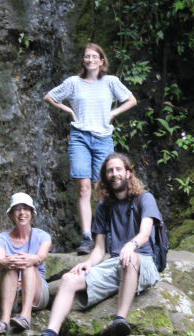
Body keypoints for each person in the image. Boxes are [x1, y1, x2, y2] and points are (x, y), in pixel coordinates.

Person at [21, 153, 161, 336]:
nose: (114, 174)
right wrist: (88, 263)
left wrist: (131, 245)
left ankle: (120, 319)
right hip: (116, 263)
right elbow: (99, 249)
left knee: (129, 260)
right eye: (110, 171)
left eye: (118, 169)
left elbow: (145, 233)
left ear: (128, 173)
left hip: (143, 261)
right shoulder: (104, 206)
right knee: (69, 279)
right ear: (105, 177)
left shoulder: (144, 199)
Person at [44, 43, 137, 255]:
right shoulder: (73, 83)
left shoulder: (111, 82)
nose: (90, 60)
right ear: (83, 61)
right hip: (80, 137)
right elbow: (49, 96)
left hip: (103, 138)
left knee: (104, 188)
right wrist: (68, 109)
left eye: (95, 56)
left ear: (102, 60)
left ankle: (107, 235)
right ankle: (87, 237)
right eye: (87, 57)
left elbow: (131, 100)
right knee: (83, 187)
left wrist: (114, 114)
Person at [0, 192, 52, 335]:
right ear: (11, 215)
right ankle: (4, 321)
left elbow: (41, 256)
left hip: (37, 295)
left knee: (28, 263)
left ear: (32, 213)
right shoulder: (2, 238)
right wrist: (6, 261)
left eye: (26, 209)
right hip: (7, 296)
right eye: (17, 209)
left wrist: (32, 259)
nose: (22, 213)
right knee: (8, 266)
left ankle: (25, 316)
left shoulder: (43, 236)